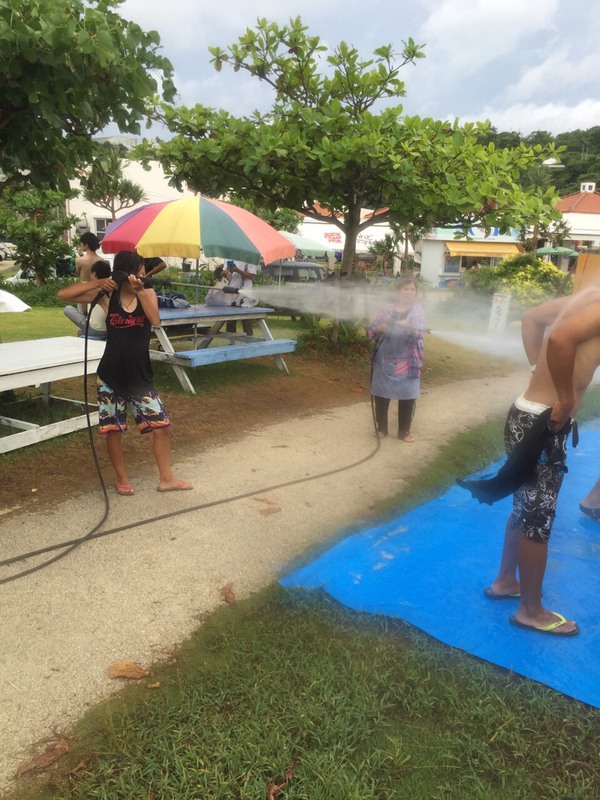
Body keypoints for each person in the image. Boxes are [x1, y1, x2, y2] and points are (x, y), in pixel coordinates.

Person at [480, 287, 600, 637]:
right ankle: (531, 611)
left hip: (525, 412)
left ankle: (505, 581)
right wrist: (564, 397)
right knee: (537, 519)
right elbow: (560, 338)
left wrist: (537, 369)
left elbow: (532, 318)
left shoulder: (590, 295)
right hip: (544, 423)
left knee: (525, 506)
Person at [57, 250, 192, 496]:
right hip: (110, 375)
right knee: (113, 429)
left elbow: (155, 319)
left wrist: (141, 290)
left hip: (140, 376)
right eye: (140, 269)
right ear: (126, 272)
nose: (143, 274)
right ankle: (121, 479)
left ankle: (167, 479)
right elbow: (63, 294)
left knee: (161, 427)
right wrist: (97, 282)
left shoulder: (147, 293)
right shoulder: (108, 295)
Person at [367, 276, 426, 442]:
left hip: (408, 360)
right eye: (406, 289)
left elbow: (419, 334)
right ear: (398, 291)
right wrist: (381, 328)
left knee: (407, 395)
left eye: (412, 289)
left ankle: (404, 431)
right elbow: (372, 329)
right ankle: (382, 428)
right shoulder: (387, 309)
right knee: (381, 393)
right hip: (384, 357)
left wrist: (408, 329)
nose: (409, 292)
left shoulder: (418, 312)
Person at [63, 260, 111, 339]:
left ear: (94, 274)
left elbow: (84, 310)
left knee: (67, 308)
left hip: (93, 329)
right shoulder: (113, 288)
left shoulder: (91, 288)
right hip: (109, 328)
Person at [225, 259, 258, 336]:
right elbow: (226, 275)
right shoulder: (230, 258)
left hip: (245, 295)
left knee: (246, 321)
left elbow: (252, 276)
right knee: (230, 321)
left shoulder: (250, 259)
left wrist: (237, 270)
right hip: (232, 293)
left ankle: (249, 343)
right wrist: (227, 271)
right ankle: (231, 343)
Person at [75, 232, 104, 314]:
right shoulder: (101, 261)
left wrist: (81, 256)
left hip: (83, 291)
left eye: (81, 243)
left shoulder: (79, 261)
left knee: (82, 318)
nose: (81, 245)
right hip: (97, 292)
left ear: (86, 245)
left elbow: (77, 274)